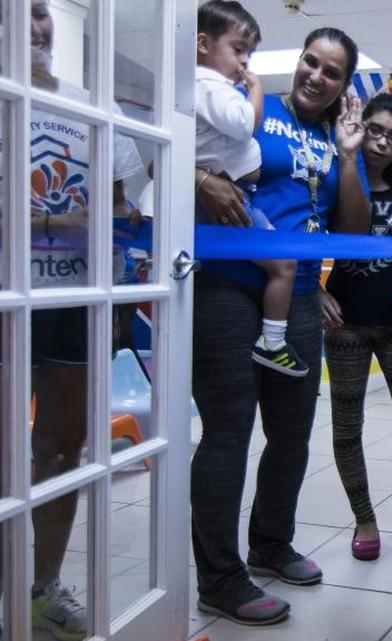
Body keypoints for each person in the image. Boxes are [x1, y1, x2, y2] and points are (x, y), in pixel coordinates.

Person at [191, 27, 369, 626]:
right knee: (228, 433)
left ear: (345, 86)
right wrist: (195, 179)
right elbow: (170, 146)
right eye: (310, 63)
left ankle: (270, 544)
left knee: (292, 434)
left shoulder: (335, 133)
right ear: (297, 63)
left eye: (332, 72)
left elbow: (354, 226)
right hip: (223, 284)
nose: (316, 77)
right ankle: (219, 577)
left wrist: (347, 155)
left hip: (294, 296)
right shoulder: (251, 103)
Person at [19, 2, 145, 639]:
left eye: (44, 13)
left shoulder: (92, 108)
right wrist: (52, 223)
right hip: (7, 300)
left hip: (74, 302)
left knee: (63, 449)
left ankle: (42, 588)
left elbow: (121, 210)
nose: (38, 26)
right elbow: (80, 219)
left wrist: (108, 228)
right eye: (22, 13)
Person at [319, 92, 392, 562]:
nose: (384, 141)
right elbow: (301, 235)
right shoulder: (334, 181)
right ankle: (364, 517)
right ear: (360, 128)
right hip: (345, 323)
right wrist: (313, 291)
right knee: (347, 427)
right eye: (376, 130)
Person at [195, 1, 308, 377]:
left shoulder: (207, 86)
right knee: (284, 264)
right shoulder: (211, 86)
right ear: (203, 44)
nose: (245, 62)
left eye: (250, 53)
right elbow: (245, 124)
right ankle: (273, 342)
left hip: (236, 193)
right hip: (233, 198)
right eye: (238, 49)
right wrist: (256, 88)